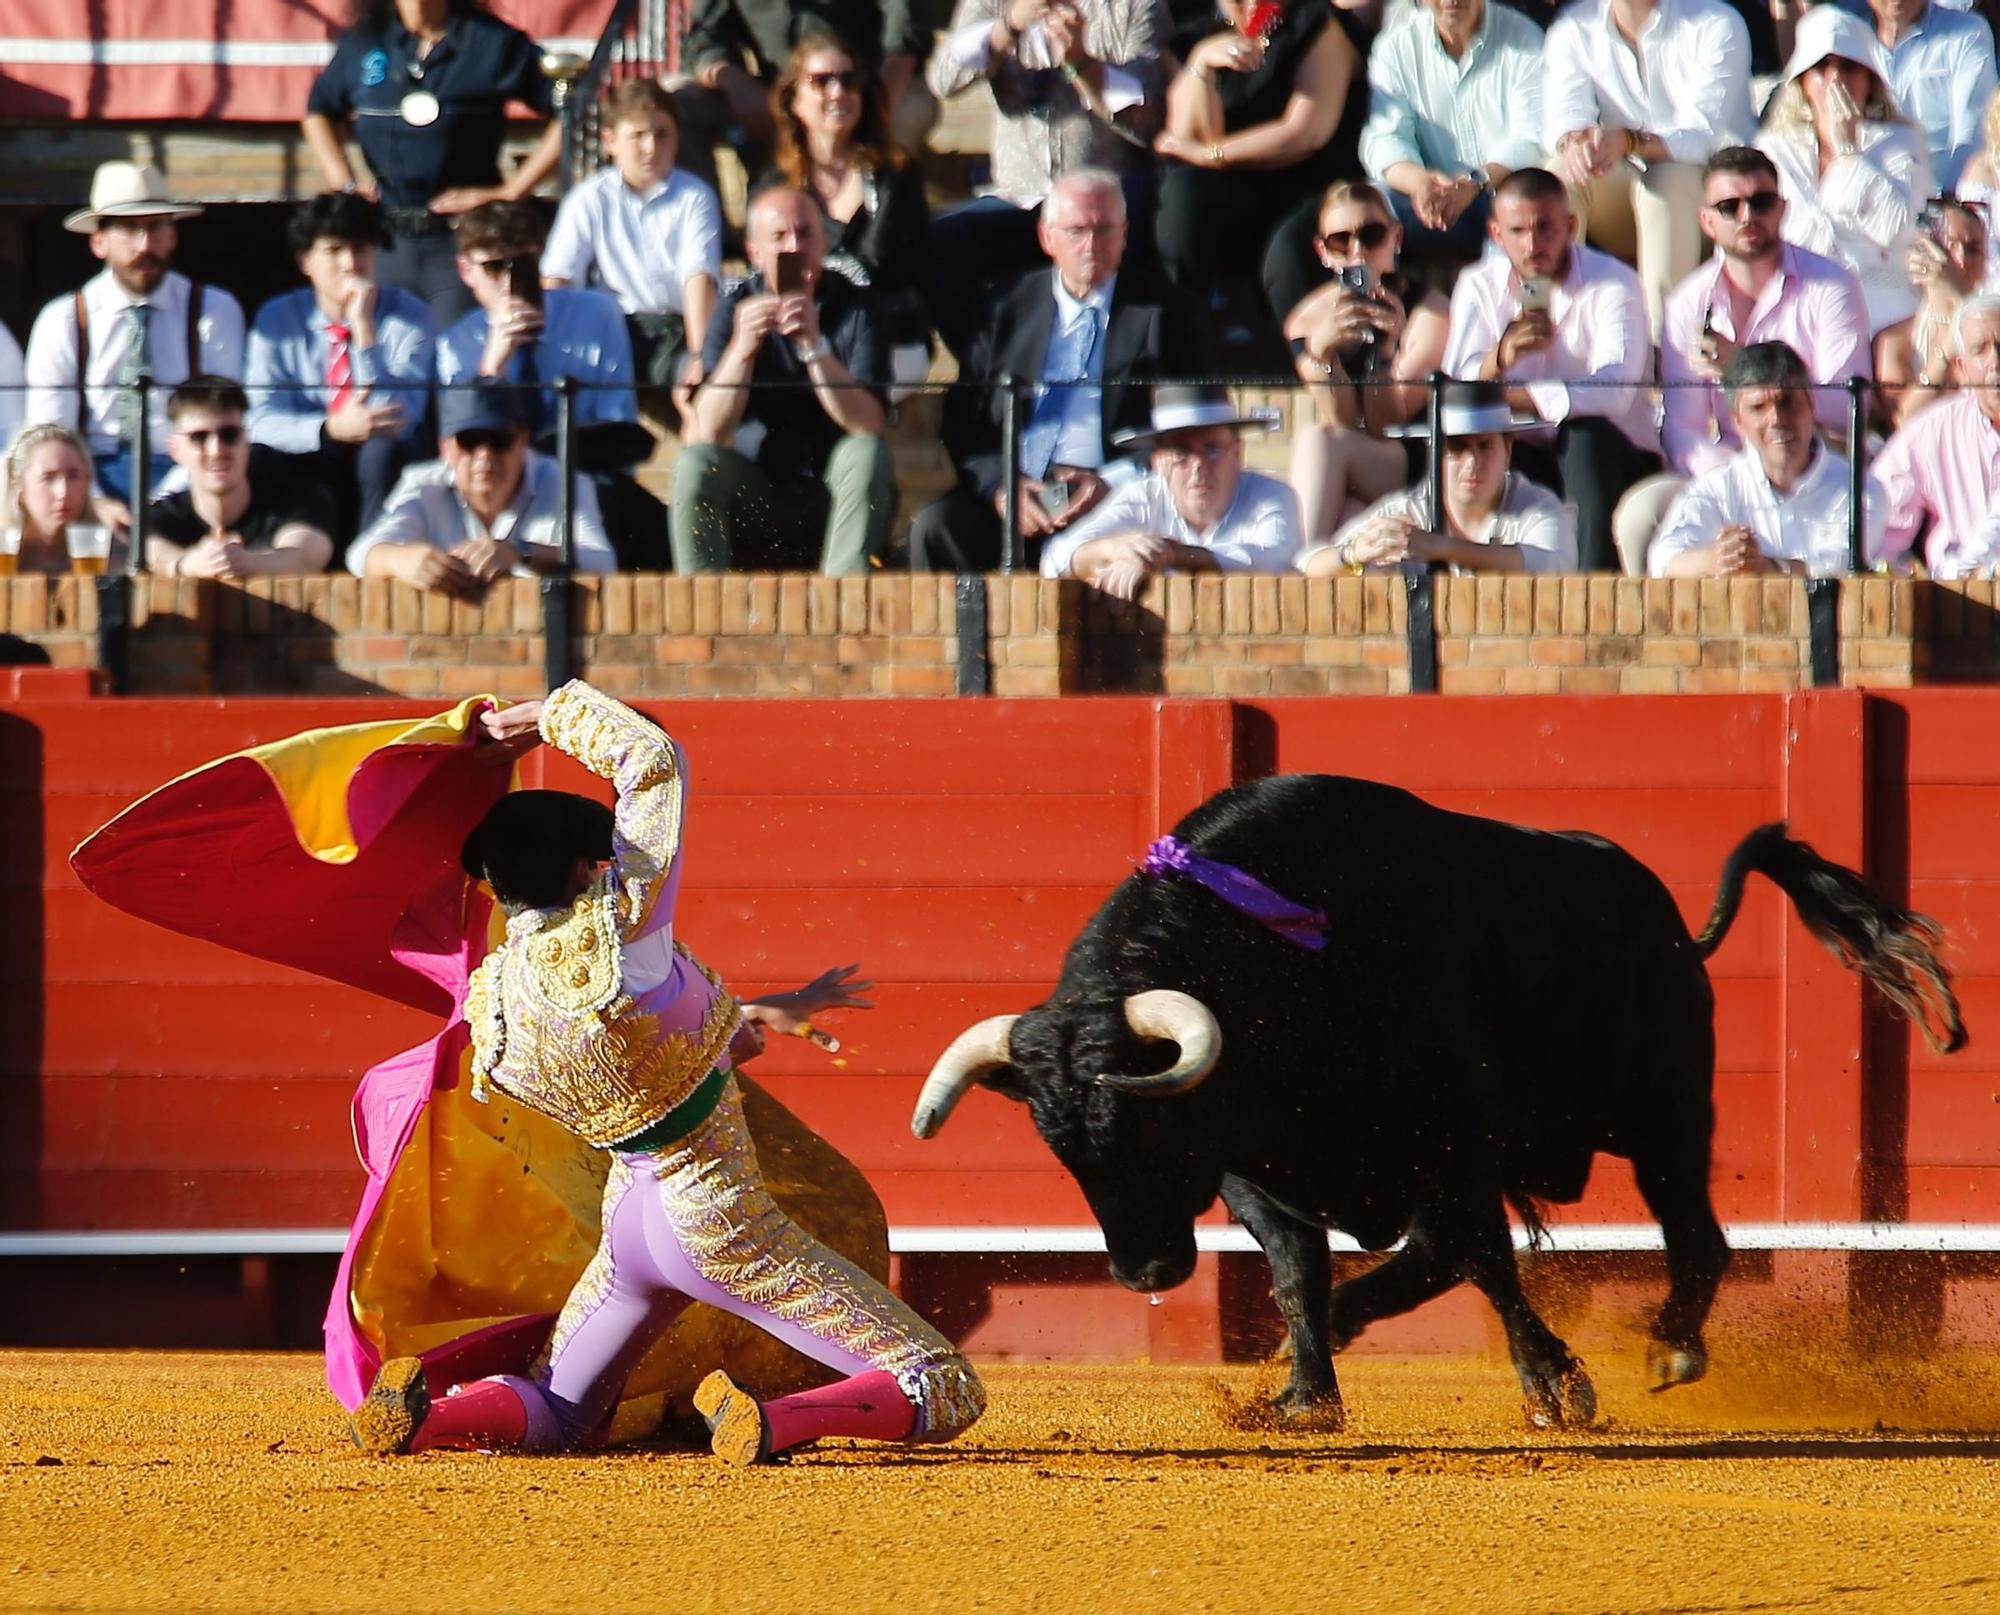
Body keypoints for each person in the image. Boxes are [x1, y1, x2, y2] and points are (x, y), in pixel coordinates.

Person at [349, 681, 986, 1463]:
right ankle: (775, 1419)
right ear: (589, 869)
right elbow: (651, 760)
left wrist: (763, 1013)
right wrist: (536, 717)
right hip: (717, 1219)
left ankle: (434, 1418)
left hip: (630, 1231)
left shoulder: (498, 1005)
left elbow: (664, 1056)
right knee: (941, 1382)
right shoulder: (627, 933)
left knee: (561, 1412)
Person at [906, 170, 1207, 572]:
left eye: (1104, 231)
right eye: (1076, 231)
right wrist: (1002, 487)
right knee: (936, 527)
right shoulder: (1003, 309)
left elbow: (1186, 425)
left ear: (1125, 235)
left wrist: (1111, 481)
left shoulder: (1167, 312)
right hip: (1019, 490)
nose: (1091, 245)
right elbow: (967, 420)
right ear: (1047, 238)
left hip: (1118, 494)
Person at [1612, 145, 1869, 571]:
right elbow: (1682, 431)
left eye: (1761, 202)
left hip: (1814, 460)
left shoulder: (1830, 286)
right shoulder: (1687, 304)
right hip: (1724, 471)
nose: (1748, 216)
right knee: (1640, 516)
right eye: (1730, 206)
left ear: (1782, 208)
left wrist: (1741, 367)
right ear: (1706, 221)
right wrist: (1739, 477)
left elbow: (1846, 408)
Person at [923, 0, 1169, 362]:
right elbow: (944, 77)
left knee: (1130, 216)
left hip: (1103, 199)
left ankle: (1115, 370)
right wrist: (1007, 26)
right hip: (1018, 198)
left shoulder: (1133, 6)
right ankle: (995, 373)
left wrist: (1083, 64)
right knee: (937, 243)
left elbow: (1149, 121)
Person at [1441, 167, 1660, 570]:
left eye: (1545, 228)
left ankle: (1592, 591)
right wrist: (1498, 359)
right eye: (1519, 231)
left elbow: (1614, 391)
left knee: (1583, 434)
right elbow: (1454, 392)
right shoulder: (1478, 284)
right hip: (1523, 449)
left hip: (1614, 457)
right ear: (1496, 234)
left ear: (1571, 226)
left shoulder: (1613, 282)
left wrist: (1516, 395)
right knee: (1472, 444)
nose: (1533, 244)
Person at [676, 186, 895, 573]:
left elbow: (870, 423)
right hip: (756, 493)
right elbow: (707, 428)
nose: (795, 246)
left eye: (806, 233)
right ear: (754, 253)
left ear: (824, 240)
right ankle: (702, 611)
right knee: (696, 463)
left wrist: (815, 347)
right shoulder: (732, 310)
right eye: (779, 237)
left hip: (832, 493)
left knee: (866, 452)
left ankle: (843, 606)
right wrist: (742, 350)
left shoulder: (859, 308)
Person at [303, 0, 561, 330]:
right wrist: (346, 184)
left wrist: (512, 190)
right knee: (387, 357)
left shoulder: (491, 41)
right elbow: (319, 111)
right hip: (385, 239)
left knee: (459, 360)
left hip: (462, 241)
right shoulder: (365, 41)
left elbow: (571, 110)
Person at [24, 162, 247, 509]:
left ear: (172, 235)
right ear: (99, 241)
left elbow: (225, 419)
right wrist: (93, 500)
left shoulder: (213, 309)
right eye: (129, 229)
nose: (145, 245)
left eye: (155, 227)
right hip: (90, 471)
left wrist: (170, 497)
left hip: (189, 470)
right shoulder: (63, 319)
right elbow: (51, 433)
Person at [1542, 0, 1755, 334]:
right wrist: (1577, 145)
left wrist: (1628, 141)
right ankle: (1559, 338)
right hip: (1628, 190)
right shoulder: (1573, 27)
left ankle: (1663, 353)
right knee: (1559, 175)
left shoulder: (1717, 22)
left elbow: (1700, 138)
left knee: (1664, 182)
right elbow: (1563, 118)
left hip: (1713, 201)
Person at [1152, 0, 1368, 329]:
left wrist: (1210, 154)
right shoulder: (1198, 38)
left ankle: (1307, 357)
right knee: (1182, 194)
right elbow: (1183, 137)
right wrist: (1202, 65)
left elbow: (1304, 134)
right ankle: (1184, 337)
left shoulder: (1316, 24)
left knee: (1288, 247)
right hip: (1238, 189)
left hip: (1311, 185)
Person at [245, 192, 435, 539]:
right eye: (334, 251)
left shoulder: (410, 314)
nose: (350, 263)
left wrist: (364, 332)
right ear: (305, 260)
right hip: (313, 450)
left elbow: (399, 417)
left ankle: (373, 558)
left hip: (383, 457)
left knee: (382, 450)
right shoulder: (276, 318)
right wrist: (329, 429)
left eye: (360, 248)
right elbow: (259, 419)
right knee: (264, 459)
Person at [1285, 181, 1455, 546]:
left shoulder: (1430, 312)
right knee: (1343, 510)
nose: (1357, 251)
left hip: (1418, 459)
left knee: (1320, 443)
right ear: (1323, 251)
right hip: (1350, 460)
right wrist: (1324, 354)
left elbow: (1386, 424)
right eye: (1340, 241)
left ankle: (1296, 575)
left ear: (1395, 238)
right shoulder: (1307, 320)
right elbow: (1342, 419)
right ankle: (1310, 576)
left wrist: (1386, 350)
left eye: (1371, 235)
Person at [541, 79, 723, 398]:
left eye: (662, 135)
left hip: (675, 328)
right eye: (637, 135)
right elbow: (559, 279)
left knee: (705, 390)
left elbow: (699, 279)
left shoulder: (695, 196)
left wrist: (700, 357)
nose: (651, 148)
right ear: (610, 141)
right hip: (609, 328)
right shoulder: (588, 199)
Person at [767, 36, 933, 385]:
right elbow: (773, 273)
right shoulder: (775, 188)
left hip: (889, 339)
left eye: (849, 80)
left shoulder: (897, 176)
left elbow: (883, 268)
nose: (838, 92)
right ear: (794, 99)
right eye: (821, 81)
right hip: (801, 339)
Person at [1757, 5, 1930, 339]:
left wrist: (1848, 153)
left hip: (1881, 308)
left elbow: (1901, 230)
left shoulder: (1902, 142)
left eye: (1848, 66)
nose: (1836, 78)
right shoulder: (1774, 148)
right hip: (1794, 304)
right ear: (1804, 82)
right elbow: (1777, 237)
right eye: (1822, 67)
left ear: (1869, 80)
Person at [348, 385, 616, 590]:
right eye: (469, 441)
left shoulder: (563, 481)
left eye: (499, 440)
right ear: (445, 448)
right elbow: (360, 555)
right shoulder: (423, 483)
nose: (484, 456)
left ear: (522, 440)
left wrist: (520, 552)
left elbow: (602, 562)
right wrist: (402, 560)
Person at [1300, 378, 1578, 574]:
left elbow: (1554, 563)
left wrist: (1442, 548)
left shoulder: (1536, 506)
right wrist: (1355, 553)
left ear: (1507, 450)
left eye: (1485, 446)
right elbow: (1305, 565)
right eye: (1457, 448)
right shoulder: (1410, 509)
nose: (1472, 461)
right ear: (1433, 454)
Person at [1648, 341, 1879, 577]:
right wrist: (1715, 560)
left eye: (1787, 402)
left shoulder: (1862, 488)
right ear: (1738, 421)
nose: (1777, 419)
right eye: (1758, 407)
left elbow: (1845, 567)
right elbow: (1663, 559)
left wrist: (1769, 568)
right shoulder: (1718, 486)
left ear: (1811, 404)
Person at [1039, 384, 1298, 594]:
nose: (1198, 466)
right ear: (1158, 462)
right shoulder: (1142, 496)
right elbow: (1054, 559)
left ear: (1238, 452)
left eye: (1213, 450)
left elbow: (1272, 559)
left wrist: (1170, 555)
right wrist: (1116, 551)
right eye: (1182, 453)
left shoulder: (1271, 495)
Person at [675, 0, 934, 197]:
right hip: (774, 91)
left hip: (868, 82)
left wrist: (874, 104)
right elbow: (703, 39)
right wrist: (736, 83)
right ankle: (713, 242)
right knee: (676, 106)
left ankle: (875, 224)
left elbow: (907, 29)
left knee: (904, 116)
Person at [1358, 0, 1547, 263]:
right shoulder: (1395, 46)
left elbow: (1531, 139)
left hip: (1496, 191)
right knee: (1368, 213)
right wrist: (1421, 183)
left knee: (1518, 210)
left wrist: (1472, 183)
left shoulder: (1525, 39)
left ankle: (1506, 302)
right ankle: (1376, 301)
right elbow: (1384, 140)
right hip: (1427, 201)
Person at [145, 378, 338, 579]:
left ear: (246, 441)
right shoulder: (161, 515)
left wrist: (248, 563)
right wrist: (186, 565)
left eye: (229, 435)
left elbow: (305, 557)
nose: (216, 450)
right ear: (175, 450)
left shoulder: (299, 501)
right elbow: (146, 549)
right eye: (199, 437)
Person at [1870, 294, 2000, 576]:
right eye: (1981, 350)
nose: (1996, 362)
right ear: (1962, 370)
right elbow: (1878, 526)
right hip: (1960, 600)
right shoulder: (1934, 429)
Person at [1876, 196, 1990, 425]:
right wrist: (1947, 348)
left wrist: (1963, 303)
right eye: (1949, 246)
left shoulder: (1993, 328)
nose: (1960, 259)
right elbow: (1903, 419)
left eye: (1972, 249)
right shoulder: (1895, 341)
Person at [1867, 0, 1996, 193]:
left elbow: (1971, 137)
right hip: (1865, 201)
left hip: (1940, 202)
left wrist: (1949, 205)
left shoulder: (1966, 34)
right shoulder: (1847, 44)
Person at [0, 424, 104, 576]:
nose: (63, 492)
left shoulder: (111, 556)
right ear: (19, 484)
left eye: (73, 476)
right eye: (48, 478)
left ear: (87, 480)